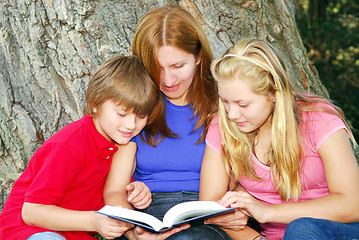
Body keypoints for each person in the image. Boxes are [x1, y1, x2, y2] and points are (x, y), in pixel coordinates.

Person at [104, 5, 247, 240]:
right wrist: (133, 231)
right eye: (157, 69)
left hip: (205, 219)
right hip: (145, 217)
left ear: (199, 57)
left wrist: (239, 204)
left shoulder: (226, 104)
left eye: (178, 66)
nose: (168, 80)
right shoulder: (136, 109)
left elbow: (253, 174)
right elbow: (115, 190)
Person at [200, 38, 359, 240]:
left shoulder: (320, 121)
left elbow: (353, 205)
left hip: (336, 231)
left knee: (300, 229)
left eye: (243, 104)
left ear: (274, 93)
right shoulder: (223, 126)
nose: (232, 114)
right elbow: (211, 210)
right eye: (225, 102)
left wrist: (267, 212)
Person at [0, 56, 159, 240]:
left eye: (140, 116)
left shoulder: (123, 147)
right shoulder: (71, 145)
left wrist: (136, 198)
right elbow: (31, 212)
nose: (131, 125)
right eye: (122, 113)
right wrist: (94, 221)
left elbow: (113, 199)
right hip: (28, 231)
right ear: (95, 104)